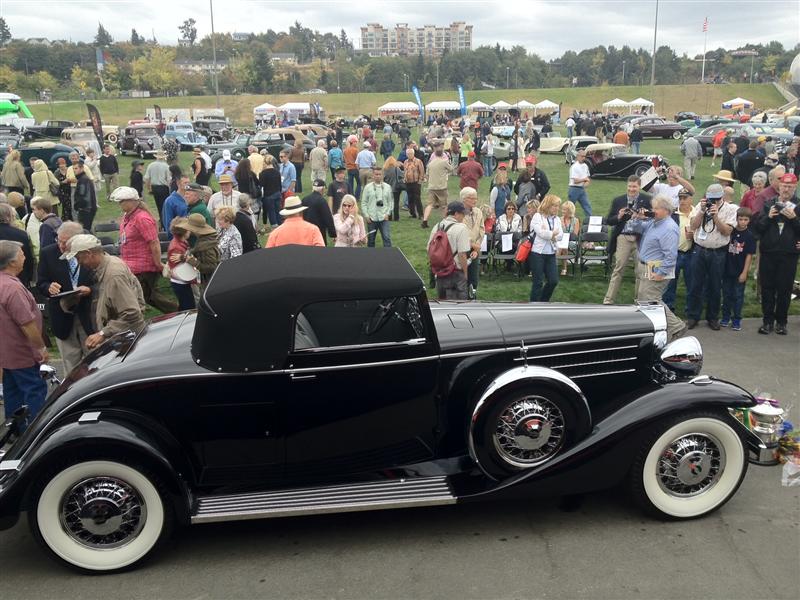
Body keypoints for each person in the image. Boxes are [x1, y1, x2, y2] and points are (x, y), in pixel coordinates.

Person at [63, 234, 146, 350]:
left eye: (78, 258)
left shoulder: (113, 275)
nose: (79, 263)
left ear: (88, 254)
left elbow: (132, 313)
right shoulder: (108, 265)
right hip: (123, 338)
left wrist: (102, 334)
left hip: (128, 341)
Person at [0, 239, 48, 429]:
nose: (25, 257)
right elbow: (27, 324)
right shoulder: (12, 288)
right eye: (21, 254)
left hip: (6, 353)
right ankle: (36, 432)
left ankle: (16, 430)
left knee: (12, 393)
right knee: (34, 391)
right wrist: (41, 348)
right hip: (22, 353)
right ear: (12, 262)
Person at [624, 196, 687, 342]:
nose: (653, 210)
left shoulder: (669, 228)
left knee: (652, 301)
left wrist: (661, 273)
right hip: (645, 266)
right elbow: (630, 229)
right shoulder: (654, 222)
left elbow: (671, 255)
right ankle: (651, 329)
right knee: (643, 301)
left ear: (666, 210)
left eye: (656, 208)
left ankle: (676, 326)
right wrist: (638, 218)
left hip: (655, 270)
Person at [36, 221, 95, 371]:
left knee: (94, 363)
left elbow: (101, 281)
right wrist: (49, 287)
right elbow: (41, 282)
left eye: (66, 242)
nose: (61, 246)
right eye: (59, 240)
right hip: (62, 317)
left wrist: (90, 289)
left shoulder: (90, 251)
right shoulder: (48, 253)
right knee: (71, 367)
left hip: (88, 315)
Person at [112, 186, 177, 314]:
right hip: (132, 266)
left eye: (122, 201)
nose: (120, 204)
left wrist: (158, 263)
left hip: (143, 267)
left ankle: (178, 311)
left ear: (132, 201)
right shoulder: (128, 216)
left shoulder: (142, 219)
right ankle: (177, 312)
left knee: (148, 296)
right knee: (147, 296)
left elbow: (154, 242)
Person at [687, 183, 738, 330]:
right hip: (699, 250)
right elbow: (693, 226)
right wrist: (701, 212)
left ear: (722, 197)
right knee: (695, 285)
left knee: (715, 286)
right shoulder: (701, 206)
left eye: (716, 199)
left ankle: (713, 317)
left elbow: (726, 231)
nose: (713, 202)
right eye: (711, 199)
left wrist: (715, 216)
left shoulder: (730, 209)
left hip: (718, 252)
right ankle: (693, 316)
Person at [753, 173, 799, 335]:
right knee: (767, 288)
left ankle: (781, 322)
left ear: (795, 187)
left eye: (790, 187)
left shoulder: (798, 205)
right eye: (784, 186)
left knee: (785, 289)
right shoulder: (769, 203)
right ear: (779, 186)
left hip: (789, 254)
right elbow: (758, 227)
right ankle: (767, 322)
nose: (786, 189)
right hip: (769, 252)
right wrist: (768, 217)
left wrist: (794, 219)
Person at [427, 201, 471, 300]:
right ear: (456, 214)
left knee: (443, 303)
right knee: (459, 305)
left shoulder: (437, 226)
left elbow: (429, 248)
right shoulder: (461, 228)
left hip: (440, 271)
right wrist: (465, 274)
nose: (463, 217)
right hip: (456, 271)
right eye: (463, 214)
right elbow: (462, 254)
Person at [721, 207, 756, 331]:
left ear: (749, 221)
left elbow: (749, 255)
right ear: (736, 219)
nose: (742, 222)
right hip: (727, 270)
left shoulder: (750, 236)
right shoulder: (731, 232)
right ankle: (725, 317)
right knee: (726, 295)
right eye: (740, 219)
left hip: (739, 271)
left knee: (738, 296)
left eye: (745, 220)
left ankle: (736, 319)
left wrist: (744, 272)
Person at [662, 188, 696, 314]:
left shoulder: (697, 213)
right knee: (670, 283)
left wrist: (694, 236)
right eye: (680, 198)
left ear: (691, 199)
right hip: (674, 253)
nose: (682, 201)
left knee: (691, 283)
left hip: (691, 253)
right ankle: (668, 308)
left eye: (685, 198)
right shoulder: (672, 214)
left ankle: (690, 309)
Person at [529, 194, 564, 302]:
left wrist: (550, 234)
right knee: (538, 282)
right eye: (555, 206)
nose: (557, 208)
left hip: (551, 253)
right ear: (548, 205)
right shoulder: (538, 216)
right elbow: (541, 233)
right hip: (538, 253)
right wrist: (553, 233)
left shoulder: (557, 219)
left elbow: (560, 235)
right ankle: (534, 304)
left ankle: (543, 301)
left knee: (553, 281)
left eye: (558, 206)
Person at [0, 203, 34, 287]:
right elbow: (28, 257)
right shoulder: (21, 234)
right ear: (9, 216)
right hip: (18, 277)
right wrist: (29, 276)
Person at [166, 217, 196, 311]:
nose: (190, 231)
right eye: (188, 229)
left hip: (183, 281)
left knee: (186, 305)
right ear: (184, 231)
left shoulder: (182, 242)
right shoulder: (176, 247)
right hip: (180, 282)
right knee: (188, 307)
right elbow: (178, 268)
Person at [422, 141, 454, 228]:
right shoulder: (444, 162)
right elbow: (451, 169)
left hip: (431, 187)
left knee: (430, 205)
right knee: (444, 206)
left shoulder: (430, 164)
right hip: (441, 187)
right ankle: (445, 221)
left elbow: (427, 175)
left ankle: (424, 220)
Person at [183, 213, 220, 289]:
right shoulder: (205, 239)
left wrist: (194, 262)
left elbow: (212, 267)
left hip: (210, 282)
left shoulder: (206, 246)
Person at [461, 187, 484, 299]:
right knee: (462, 277)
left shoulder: (478, 212)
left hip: (475, 250)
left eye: (476, 198)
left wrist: (476, 248)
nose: (475, 200)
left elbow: (481, 230)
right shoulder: (458, 214)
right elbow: (460, 234)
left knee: (474, 278)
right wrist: (473, 245)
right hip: (461, 250)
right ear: (464, 199)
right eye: (472, 198)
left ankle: (472, 297)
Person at [361, 167, 393, 248]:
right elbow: (364, 203)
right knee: (371, 240)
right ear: (373, 175)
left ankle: (388, 254)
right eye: (376, 174)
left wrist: (388, 214)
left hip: (383, 217)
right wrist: (366, 216)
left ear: (383, 175)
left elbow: (390, 202)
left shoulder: (388, 187)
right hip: (372, 218)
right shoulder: (367, 187)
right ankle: (370, 255)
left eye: (380, 174)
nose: (378, 176)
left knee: (387, 238)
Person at [302, 179, 336, 244]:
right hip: (319, 232)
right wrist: (333, 233)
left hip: (306, 231)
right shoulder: (322, 201)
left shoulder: (304, 199)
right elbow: (328, 218)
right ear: (322, 189)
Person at [143, 151, 171, 225]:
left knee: (158, 205)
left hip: (154, 187)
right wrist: (170, 189)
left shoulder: (151, 165)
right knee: (164, 205)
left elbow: (147, 178)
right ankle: (164, 221)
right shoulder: (166, 166)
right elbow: (168, 179)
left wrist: (149, 188)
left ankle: (161, 220)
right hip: (164, 188)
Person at [259, 154, 283, 229]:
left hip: (268, 195)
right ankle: (280, 225)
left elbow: (261, 186)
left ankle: (275, 227)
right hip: (277, 193)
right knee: (278, 211)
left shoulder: (262, 173)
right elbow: (280, 184)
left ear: (265, 162)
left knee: (271, 212)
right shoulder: (277, 172)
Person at [559, 200, 581, 275]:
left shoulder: (576, 220)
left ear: (570, 211)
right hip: (561, 241)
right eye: (562, 209)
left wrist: (565, 237)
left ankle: (564, 268)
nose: (562, 211)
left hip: (572, 241)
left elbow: (575, 235)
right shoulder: (559, 219)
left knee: (564, 246)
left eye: (565, 209)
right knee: (562, 245)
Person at [568, 149, 592, 217]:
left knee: (587, 205)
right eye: (582, 156)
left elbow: (587, 177)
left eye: (584, 156)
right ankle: (569, 220)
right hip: (574, 189)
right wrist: (584, 179)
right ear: (578, 156)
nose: (583, 158)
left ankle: (589, 220)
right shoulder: (574, 167)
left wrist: (587, 182)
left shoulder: (585, 166)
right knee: (571, 207)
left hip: (582, 189)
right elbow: (575, 181)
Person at [403, 148, 425, 220]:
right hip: (408, 183)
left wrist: (420, 181)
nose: (409, 155)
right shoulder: (405, 162)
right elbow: (405, 171)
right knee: (410, 199)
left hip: (416, 183)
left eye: (410, 154)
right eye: (408, 154)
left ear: (413, 154)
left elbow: (422, 171)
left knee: (417, 199)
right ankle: (412, 213)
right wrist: (404, 178)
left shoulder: (418, 161)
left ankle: (421, 214)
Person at [382, 156, 404, 221]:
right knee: (396, 203)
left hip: (387, 189)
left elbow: (383, 179)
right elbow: (402, 175)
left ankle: (389, 216)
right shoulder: (397, 169)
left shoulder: (385, 170)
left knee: (388, 203)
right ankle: (396, 217)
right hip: (396, 188)